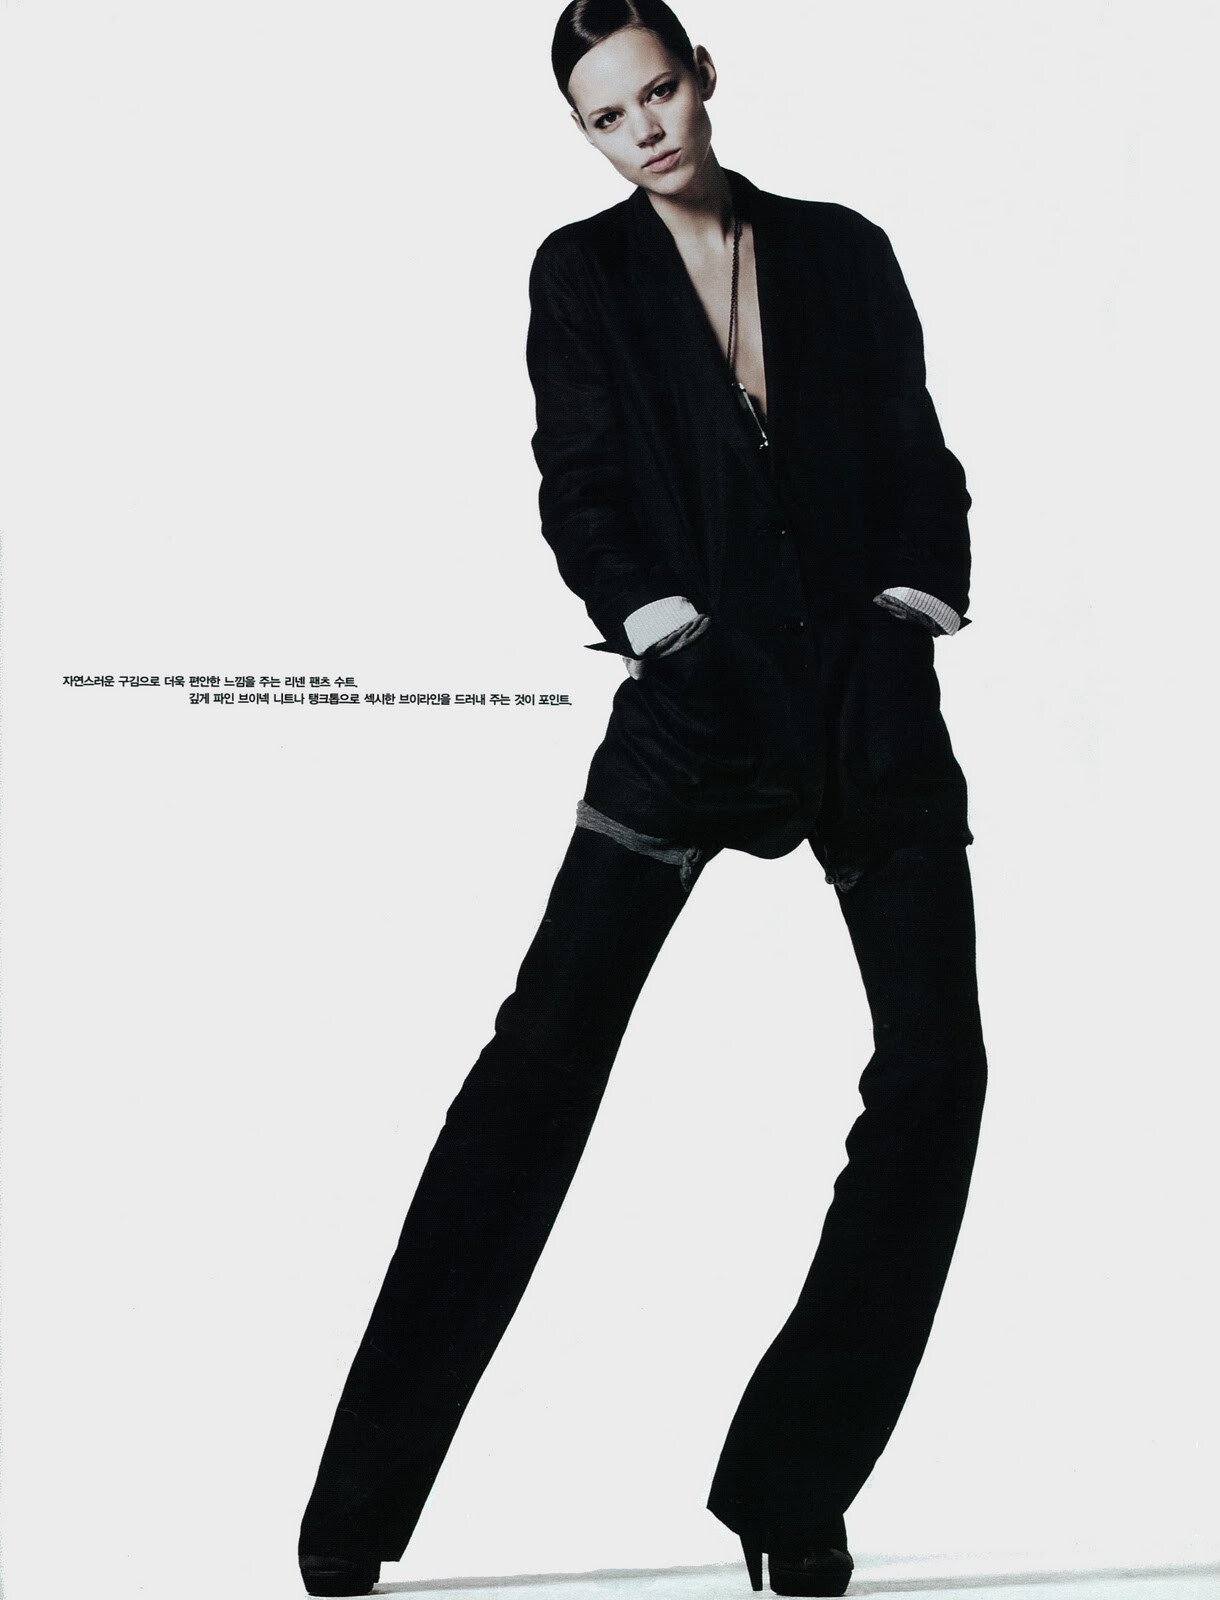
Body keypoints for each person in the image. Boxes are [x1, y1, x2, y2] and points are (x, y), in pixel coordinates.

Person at [297, 3, 988, 1596]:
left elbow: (922, 462)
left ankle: (790, 1482)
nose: (647, 131)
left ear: (704, 77)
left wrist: (915, 608)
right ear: (587, 134)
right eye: (610, 117)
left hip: (866, 711)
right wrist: (660, 624)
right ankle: (357, 1506)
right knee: (532, 1077)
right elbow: (582, 486)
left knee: (939, 1068)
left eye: (660, 91)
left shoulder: (842, 251)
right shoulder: (583, 275)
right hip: (695, 712)